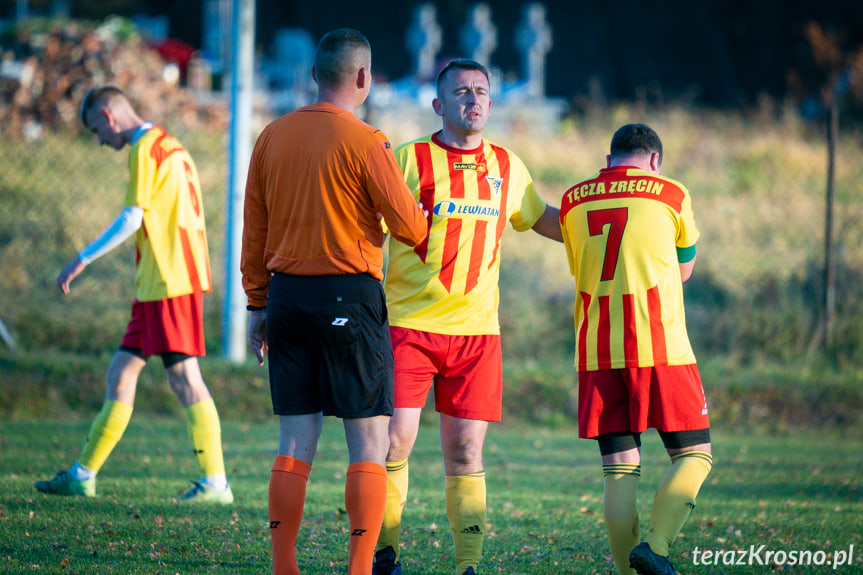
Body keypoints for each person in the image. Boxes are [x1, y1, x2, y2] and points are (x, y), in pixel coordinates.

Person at [240, 29, 427, 575]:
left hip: (287, 298)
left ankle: (284, 566)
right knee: (368, 437)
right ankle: (360, 568)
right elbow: (411, 226)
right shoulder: (368, 141)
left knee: (296, 436)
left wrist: (258, 305)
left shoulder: (272, 136)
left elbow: (255, 229)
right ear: (364, 78)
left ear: (314, 75)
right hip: (350, 295)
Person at [373, 58, 563, 575]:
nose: (473, 99)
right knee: (394, 441)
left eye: (481, 91)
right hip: (408, 328)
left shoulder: (507, 164)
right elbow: (369, 228)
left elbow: (540, 217)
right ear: (439, 105)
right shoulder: (407, 160)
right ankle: (384, 553)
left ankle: (468, 565)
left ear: (491, 103)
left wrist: (600, 225)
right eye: (461, 92)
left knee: (466, 452)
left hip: (477, 335)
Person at [35, 85, 232, 504]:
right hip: (159, 283)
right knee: (121, 373)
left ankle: (216, 484)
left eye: (95, 131)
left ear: (108, 117)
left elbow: (132, 217)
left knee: (184, 378)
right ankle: (82, 475)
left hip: (170, 280)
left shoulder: (144, 149)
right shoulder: (170, 144)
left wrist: (82, 259)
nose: (99, 142)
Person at [559, 123, 713, 575]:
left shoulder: (574, 200)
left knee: (619, 468)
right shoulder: (670, 192)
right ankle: (657, 547)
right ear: (655, 160)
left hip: (596, 349)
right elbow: (685, 270)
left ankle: (628, 572)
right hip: (659, 344)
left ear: (608, 162)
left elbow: (580, 262)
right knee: (695, 456)